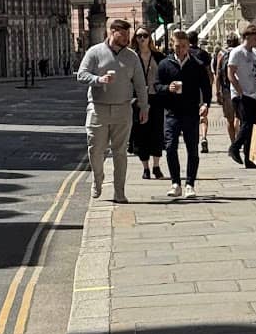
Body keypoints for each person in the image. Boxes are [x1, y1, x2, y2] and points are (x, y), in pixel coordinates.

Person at [78, 18, 149, 202]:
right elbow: (82, 74)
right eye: (123, 34)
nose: (127, 38)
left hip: (123, 109)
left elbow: (141, 84)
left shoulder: (132, 56)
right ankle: (97, 178)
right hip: (98, 109)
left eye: (128, 34)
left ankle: (119, 192)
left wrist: (144, 106)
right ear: (112, 32)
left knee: (120, 152)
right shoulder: (95, 52)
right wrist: (98, 80)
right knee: (96, 150)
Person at [151, 30, 213, 199]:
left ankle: (190, 184)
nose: (180, 49)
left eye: (184, 46)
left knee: (192, 149)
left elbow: (206, 87)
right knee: (170, 148)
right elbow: (156, 85)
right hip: (171, 113)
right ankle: (176, 183)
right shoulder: (165, 64)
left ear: (188, 46)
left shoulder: (197, 65)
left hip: (191, 113)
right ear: (172, 45)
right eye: (177, 46)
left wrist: (205, 104)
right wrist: (167, 88)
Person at [227, 22, 256, 167]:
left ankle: (249, 158)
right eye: (255, 38)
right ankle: (235, 147)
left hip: (254, 92)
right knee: (247, 124)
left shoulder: (255, 53)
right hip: (242, 94)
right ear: (247, 37)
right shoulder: (237, 52)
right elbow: (230, 73)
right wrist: (239, 90)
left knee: (252, 125)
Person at [130, 27, 164, 181]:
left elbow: (165, 76)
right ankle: (146, 168)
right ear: (135, 39)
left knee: (156, 131)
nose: (142, 39)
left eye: (145, 36)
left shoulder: (158, 57)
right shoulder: (132, 57)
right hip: (137, 100)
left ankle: (156, 166)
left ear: (150, 38)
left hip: (155, 99)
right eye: (139, 36)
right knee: (140, 133)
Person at [187, 30, 213, 153]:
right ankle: (204, 137)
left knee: (191, 116)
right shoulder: (203, 54)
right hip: (201, 88)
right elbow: (208, 71)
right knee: (203, 114)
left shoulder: (186, 53)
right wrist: (210, 83)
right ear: (197, 40)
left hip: (189, 88)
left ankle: (194, 139)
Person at [215, 35, 239, 138]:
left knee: (230, 119)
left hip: (226, 90)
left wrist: (217, 92)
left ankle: (233, 143)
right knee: (239, 117)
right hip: (239, 88)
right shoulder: (239, 52)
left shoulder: (221, 54)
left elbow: (218, 75)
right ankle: (239, 139)